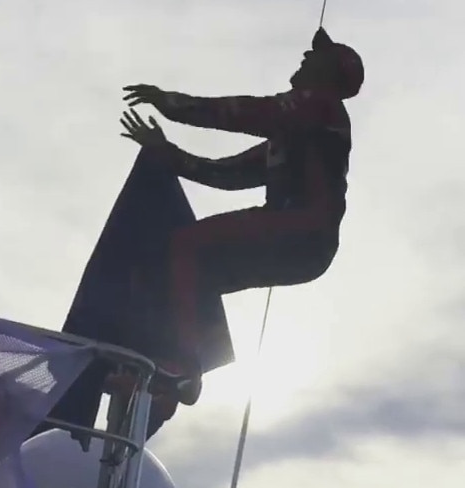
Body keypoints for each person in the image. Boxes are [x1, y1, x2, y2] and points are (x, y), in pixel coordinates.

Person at [115, 26, 364, 415]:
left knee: (186, 246)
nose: (304, 56)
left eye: (316, 55)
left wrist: (174, 104)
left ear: (330, 71)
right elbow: (224, 174)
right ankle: (172, 374)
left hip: (302, 229)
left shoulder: (321, 105)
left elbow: (249, 112)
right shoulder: (291, 134)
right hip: (303, 243)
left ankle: (184, 365)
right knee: (193, 271)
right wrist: (165, 151)